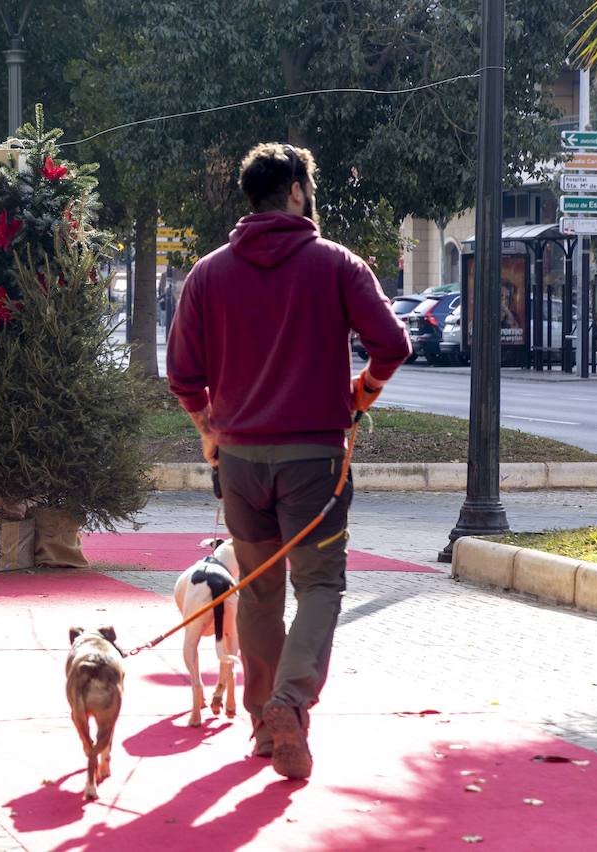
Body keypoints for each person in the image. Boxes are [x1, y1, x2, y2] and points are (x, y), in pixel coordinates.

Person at [166, 142, 410, 780]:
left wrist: (208, 429)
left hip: (240, 462)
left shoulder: (208, 273)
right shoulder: (336, 265)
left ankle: (261, 729)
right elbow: (393, 343)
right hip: (315, 461)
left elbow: (182, 375)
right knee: (320, 585)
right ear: (298, 192)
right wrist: (361, 394)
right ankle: (290, 705)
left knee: (257, 591)